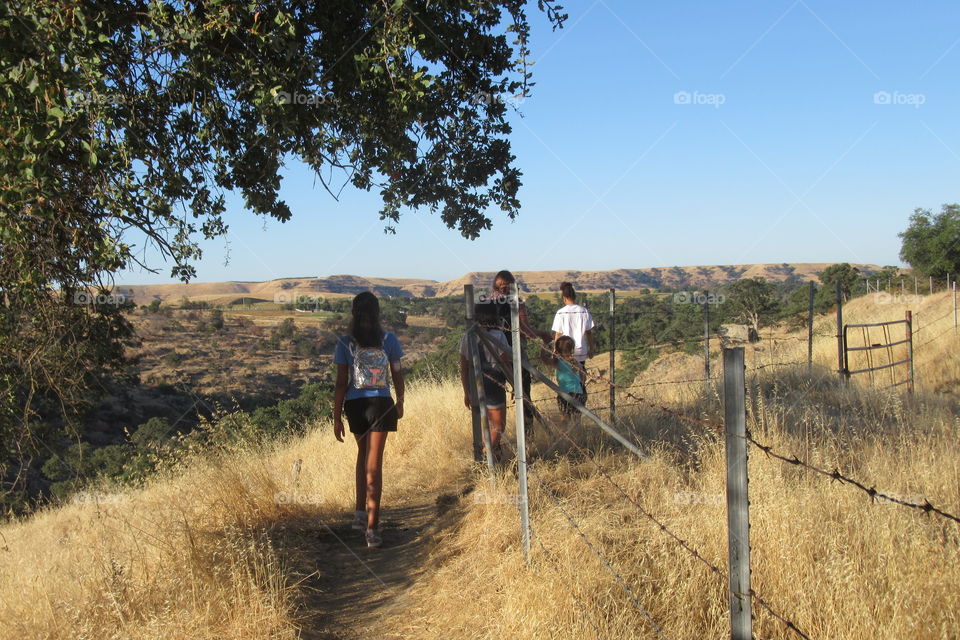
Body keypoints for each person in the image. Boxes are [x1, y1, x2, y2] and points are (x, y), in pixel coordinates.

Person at [333, 292, 404, 548]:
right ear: (377, 313)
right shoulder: (389, 340)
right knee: (375, 464)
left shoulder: (344, 343)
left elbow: (341, 382)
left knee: (362, 457)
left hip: (354, 405)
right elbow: (397, 372)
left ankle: (360, 513)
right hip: (381, 404)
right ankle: (373, 530)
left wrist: (336, 416)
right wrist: (401, 400)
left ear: (354, 313)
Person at [488, 270, 551, 424]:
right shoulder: (517, 301)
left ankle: (496, 441)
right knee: (524, 395)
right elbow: (525, 331)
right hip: (515, 355)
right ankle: (527, 433)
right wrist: (543, 334)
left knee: (496, 398)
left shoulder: (488, 301)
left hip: (493, 356)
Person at [459, 303, 511, 461]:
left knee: (484, 424)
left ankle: (490, 457)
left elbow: (464, 366)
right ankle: (487, 455)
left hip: (475, 382)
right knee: (498, 425)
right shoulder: (498, 335)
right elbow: (504, 362)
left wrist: (466, 391)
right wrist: (514, 383)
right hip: (494, 382)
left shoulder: (467, 336)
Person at [551, 281, 594, 400]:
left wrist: (555, 350)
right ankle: (579, 405)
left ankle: (566, 406)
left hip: (565, 352)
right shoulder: (583, 311)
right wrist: (592, 348)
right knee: (580, 382)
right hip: (580, 352)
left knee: (566, 383)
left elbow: (558, 334)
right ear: (574, 296)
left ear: (563, 298)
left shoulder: (561, 312)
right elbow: (589, 332)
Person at [540, 335, 586, 418]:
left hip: (564, 394)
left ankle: (567, 431)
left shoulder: (557, 362)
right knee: (576, 420)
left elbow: (544, 359)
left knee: (565, 419)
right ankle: (578, 431)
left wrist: (544, 344)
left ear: (556, 349)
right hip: (578, 394)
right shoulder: (576, 363)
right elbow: (583, 378)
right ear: (572, 349)